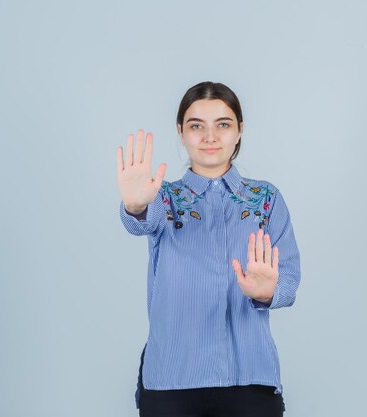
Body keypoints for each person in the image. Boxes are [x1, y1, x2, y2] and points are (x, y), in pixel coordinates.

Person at [116, 81, 301, 417]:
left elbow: (288, 279)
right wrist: (134, 205)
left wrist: (267, 292)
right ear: (181, 132)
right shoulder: (165, 197)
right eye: (196, 126)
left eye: (223, 124)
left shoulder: (266, 199)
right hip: (172, 379)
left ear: (240, 130)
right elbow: (141, 221)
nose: (210, 137)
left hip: (250, 378)